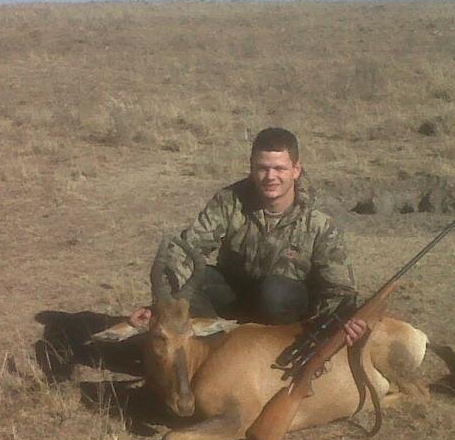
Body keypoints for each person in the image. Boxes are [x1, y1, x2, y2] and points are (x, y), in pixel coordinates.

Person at [130, 127, 367, 345]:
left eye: (279, 169)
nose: (270, 176)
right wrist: (161, 306)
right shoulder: (228, 201)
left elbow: (340, 289)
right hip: (236, 298)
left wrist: (342, 319)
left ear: (296, 170)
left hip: (286, 309)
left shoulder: (320, 222)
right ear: (252, 168)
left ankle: (270, 351)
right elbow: (186, 250)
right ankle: (215, 347)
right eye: (262, 168)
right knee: (196, 278)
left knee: (274, 292)